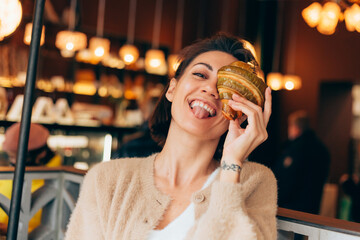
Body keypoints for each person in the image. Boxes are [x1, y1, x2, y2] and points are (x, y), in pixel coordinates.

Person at [65, 33, 277, 240]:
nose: (211, 89)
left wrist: (231, 167)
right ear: (172, 89)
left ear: (237, 113)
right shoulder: (106, 179)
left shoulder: (254, 182)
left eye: (227, 88)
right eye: (201, 75)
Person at [0, 123, 62, 234]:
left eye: (16, 157)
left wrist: (12, 230)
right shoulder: (11, 172)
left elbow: (56, 229)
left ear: (41, 154)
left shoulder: (60, 184)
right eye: (10, 157)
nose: (13, 162)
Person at [273, 110, 330, 214]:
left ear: (294, 128)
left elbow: (284, 181)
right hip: (313, 207)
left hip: (291, 209)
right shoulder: (322, 149)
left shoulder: (295, 150)